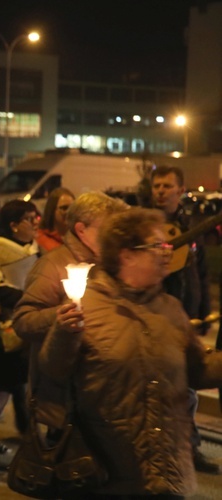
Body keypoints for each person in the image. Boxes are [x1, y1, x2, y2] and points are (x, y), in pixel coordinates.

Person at [38, 207, 222, 498]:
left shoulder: (170, 308)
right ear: (127, 255)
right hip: (107, 474)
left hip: (167, 473)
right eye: (157, 246)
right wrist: (63, 333)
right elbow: (53, 370)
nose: (166, 252)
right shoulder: (89, 306)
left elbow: (197, 369)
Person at [12, 192, 129, 428]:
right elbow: (23, 320)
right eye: (106, 229)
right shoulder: (52, 265)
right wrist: (60, 317)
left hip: (99, 394)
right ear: (81, 230)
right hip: (63, 397)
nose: (112, 237)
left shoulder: (107, 264)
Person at [150, 165, 216, 474]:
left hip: (187, 318)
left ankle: (190, 449)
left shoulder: (191, 225)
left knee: (188, 387)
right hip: (156, 319)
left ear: (180, 189)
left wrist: (203, 313)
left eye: (166, 186)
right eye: (156, 186)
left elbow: (200, 273)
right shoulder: (146, 226)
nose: (160, 191)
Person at [0, 200, 39, 453]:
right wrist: (23, 296)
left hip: (24, 322)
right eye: (29, 219)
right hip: (4, 327)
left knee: (16, 383)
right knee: (7, 382)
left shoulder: (33, 247)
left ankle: (22, 433)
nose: (35, 224)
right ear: (13, 225)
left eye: (36, 218)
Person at [36, 187, 75, 253]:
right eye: (64, 208)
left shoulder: (77, 236)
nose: (69, 212)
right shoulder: (41, 239)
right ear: (51, 210)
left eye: (72, 207)